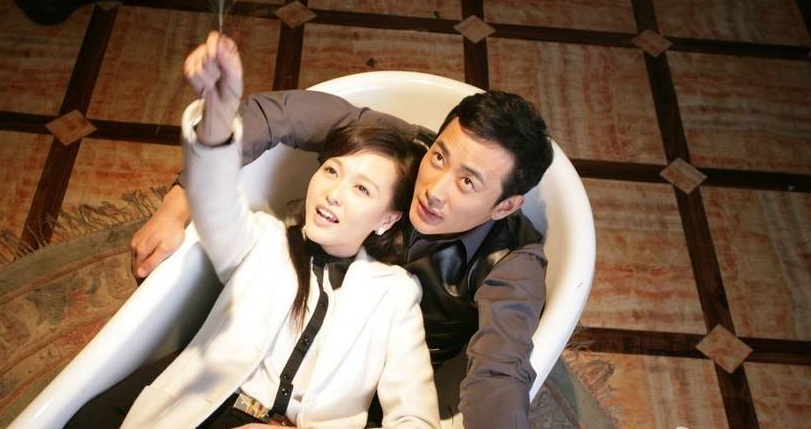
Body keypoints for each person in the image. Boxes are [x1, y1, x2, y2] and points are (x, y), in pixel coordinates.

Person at [132, 32, 553, 428]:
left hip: (381, 390)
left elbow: (500, 370)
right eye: (440, 157)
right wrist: (180, 201)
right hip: (285, 326)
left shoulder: (513, 263)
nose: (434, 190)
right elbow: (276, 114)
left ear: (506, 206)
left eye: (467, 182)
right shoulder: (401, 152)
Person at [70, 33, 439, 428]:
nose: (333, 194)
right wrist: (218, 115)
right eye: (332, 170)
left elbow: (416, 419)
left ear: (387, 219)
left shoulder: (395, 295)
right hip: (202, 414)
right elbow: (214, 195)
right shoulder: (264, 240)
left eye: (362, 189)